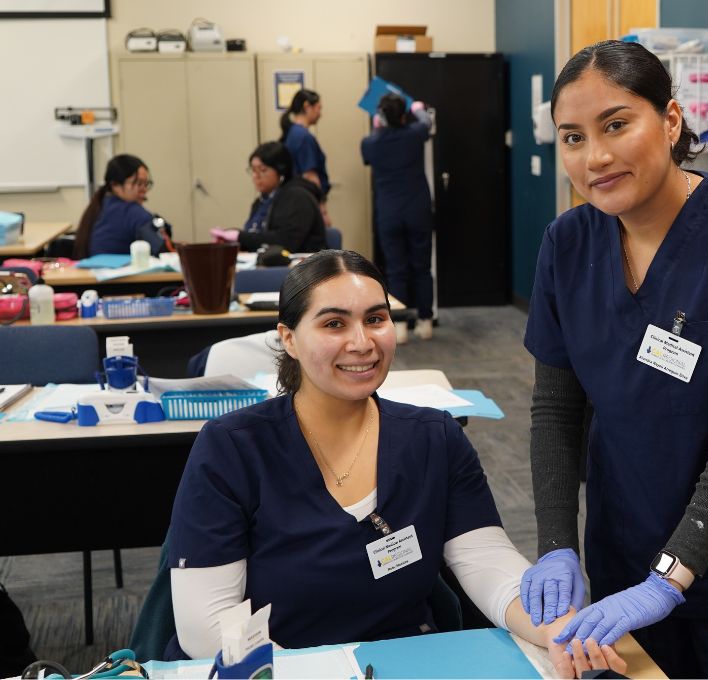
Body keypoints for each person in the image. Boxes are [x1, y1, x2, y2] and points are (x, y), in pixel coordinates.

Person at [164, 249, 625, 679]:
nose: (362, 342)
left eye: (375, 319)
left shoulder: (434, 437)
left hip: (407, 661)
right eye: (334, 324)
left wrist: (559, 631)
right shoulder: (232, 448)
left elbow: (486, 563)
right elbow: (207, 626)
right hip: (284, 668)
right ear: (289, 339)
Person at [520, 40, 708, 678]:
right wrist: (555, 544)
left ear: (669, 120)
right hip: (624, 560)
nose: (595, 156)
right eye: (573, 137)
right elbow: (556, 409)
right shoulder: (567, 244)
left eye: (615, 125)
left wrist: (669, 577)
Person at [360, 94, 434, 344]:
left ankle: (400, 325)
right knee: (422, 267)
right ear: (404, 115)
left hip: (389, 212)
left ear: (381, 117)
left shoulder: (370, 142)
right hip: (417, 210)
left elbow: (369, 156)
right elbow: (426, 121)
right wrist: (418, 107)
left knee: (395, 269)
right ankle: (425, 322)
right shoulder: (415, 134)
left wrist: (377, 126)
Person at [210, 142, 326, 253]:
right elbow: (256, 238)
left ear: (281, 171)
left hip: (305, 264)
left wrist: (239, 236)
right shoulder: (260, 201)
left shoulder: (298, 197)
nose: (256, 176)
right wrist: (231, 239)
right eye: (253, 170)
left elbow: (286, 242)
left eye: (262, 170)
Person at [72, 154, 171, 258]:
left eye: (146, 183)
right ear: (115, 185)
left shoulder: (100, 206)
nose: (144, 189)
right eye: (138, 183)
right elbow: (164, 251)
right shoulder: (132, 212)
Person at [280, 89, 331, 226]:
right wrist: (322, 211)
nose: (320, 114)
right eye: (319, 108)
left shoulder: (292, 133)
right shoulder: (304, 138)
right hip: (307, 203)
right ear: (307, 106)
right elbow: (310, 177)